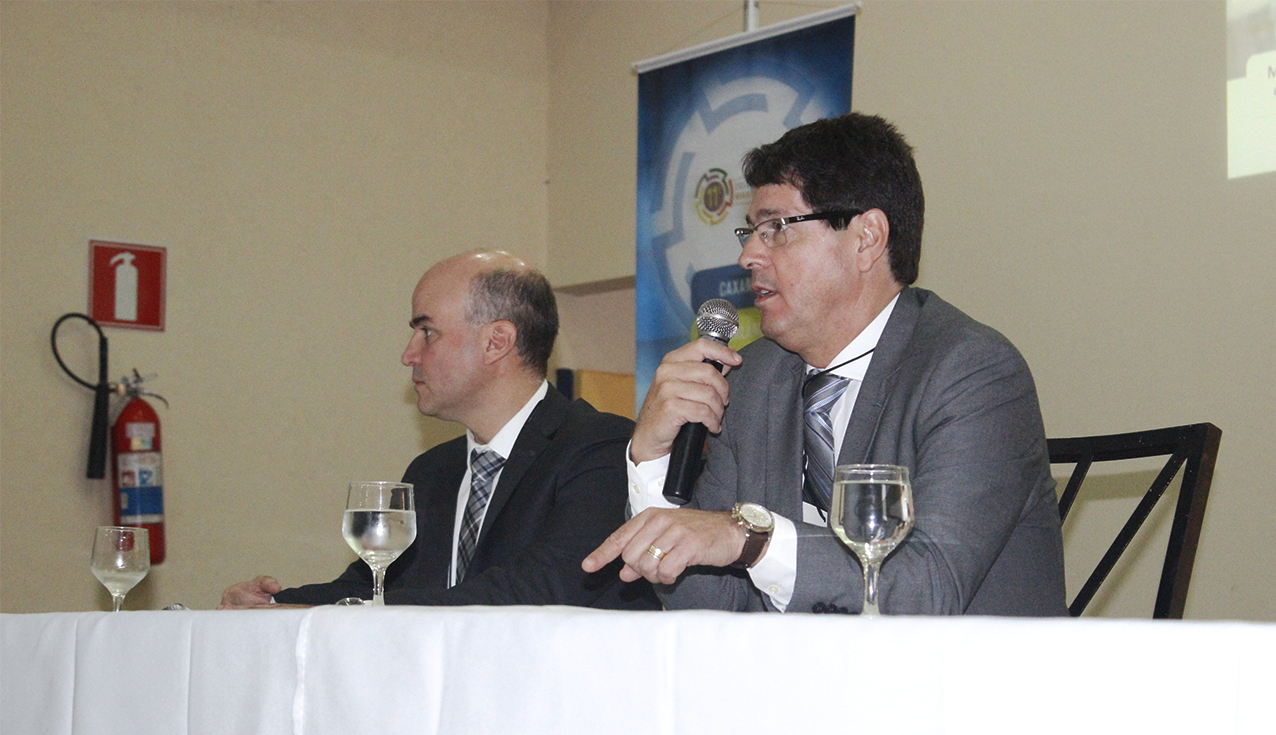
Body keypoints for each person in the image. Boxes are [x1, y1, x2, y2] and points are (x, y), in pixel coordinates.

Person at [584, 113, 1066, 616]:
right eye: (750, 231)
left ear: (866, 238)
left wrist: (750, 538)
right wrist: (652, 459)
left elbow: (929, 587)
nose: (748, 255)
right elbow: (711, 607)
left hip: (952, 668)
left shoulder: (971, 373)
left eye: (776, 228)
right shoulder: (751, 380)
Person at [222, 249, 657, 609]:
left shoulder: (601, 449)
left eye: (427, 332)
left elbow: (539, 590)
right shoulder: (432, 471)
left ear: (496, 342)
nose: (408, 355)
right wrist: (271, 605)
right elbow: (368, 586)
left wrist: (346, 613)